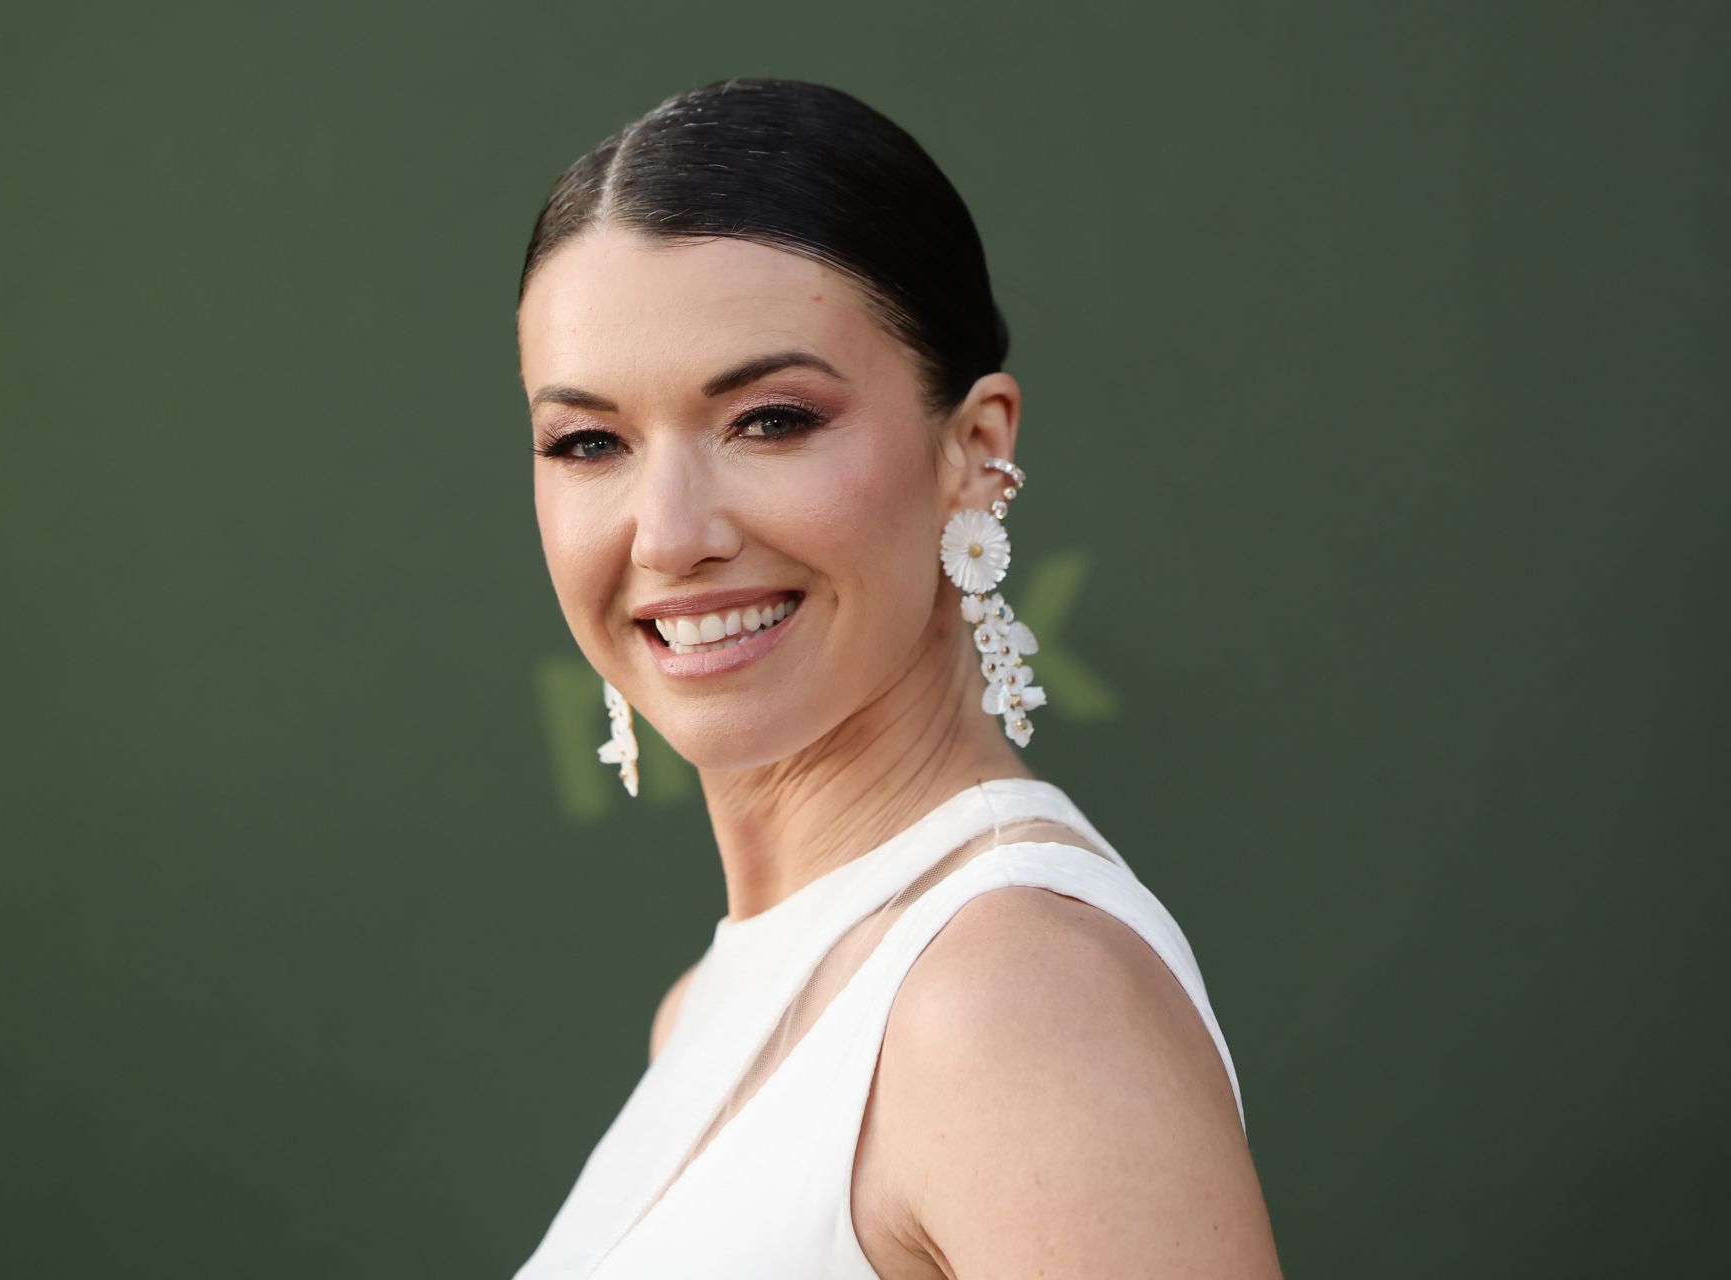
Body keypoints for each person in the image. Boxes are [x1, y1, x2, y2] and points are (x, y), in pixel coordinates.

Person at [512, 77, 1283, 1278]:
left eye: (769, 419)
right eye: (589, 442)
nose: (667, 535)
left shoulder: (1012, 1002)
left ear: (975, 448)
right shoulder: (708, 1007)